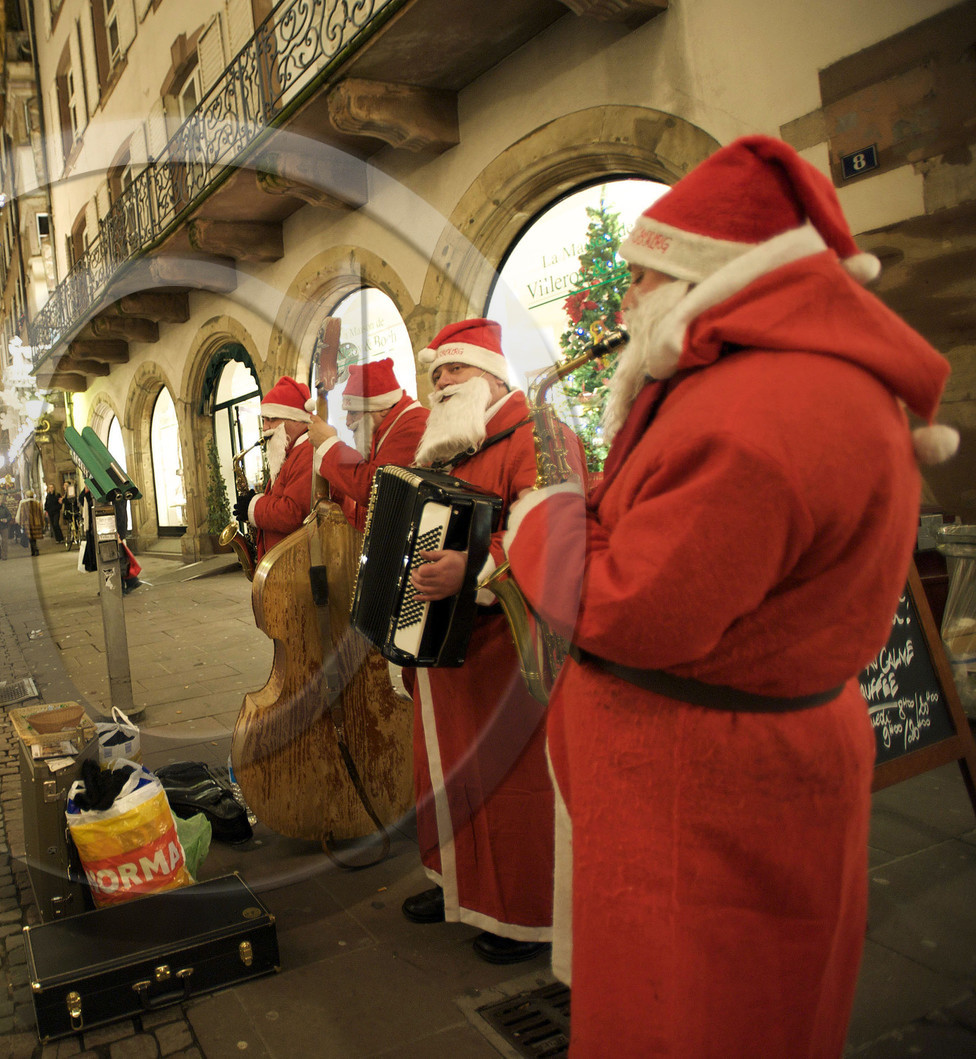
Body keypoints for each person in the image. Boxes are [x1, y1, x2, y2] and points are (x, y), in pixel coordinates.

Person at [496, 137, 958, 1056]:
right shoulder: (769, 379)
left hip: (697, 803)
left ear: (708, 276)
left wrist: (545, 518)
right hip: (730, 778)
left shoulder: (758, 412)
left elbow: (632, 607)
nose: (625, 300)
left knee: (688, 1019)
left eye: (641, 275)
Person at [399, 319, 581, 966]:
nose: (441, 381)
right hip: (444, 650)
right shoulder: (451, 446)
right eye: (436, 373)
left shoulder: (540, 433)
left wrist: (472, 570)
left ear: (491, 373)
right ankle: (457, 885)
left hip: (507, 647)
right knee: (448, 774)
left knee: (510, 786)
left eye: (453, 369)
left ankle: (521, 912)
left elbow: (556, 525)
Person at [305, 358, 429, 531]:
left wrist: (329, 444)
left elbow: (374, 489)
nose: (348, 422)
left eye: (354, 413)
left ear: (383, 408)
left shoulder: (414, 426)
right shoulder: (381, 431)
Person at [231, 376, 315, 563]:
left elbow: (294, 513)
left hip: (297, 563)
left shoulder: (307, 452)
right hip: (286, 560)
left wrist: (254, 506)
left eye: (272, 420)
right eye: (264, 420)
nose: (266, 428)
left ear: (295, 419)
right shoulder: (291, 452)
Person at [17, 492, 47, 556]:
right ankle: (34, 550)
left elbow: (22, 514)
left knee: (30, 538)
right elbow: (41, 514)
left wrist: (21, 523)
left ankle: (34, 550)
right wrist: (42, 523)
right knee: (34, 538)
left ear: (26, 496)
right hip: (36, 522)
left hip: (28, 523)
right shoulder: (37, 503)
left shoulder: (24, 504)